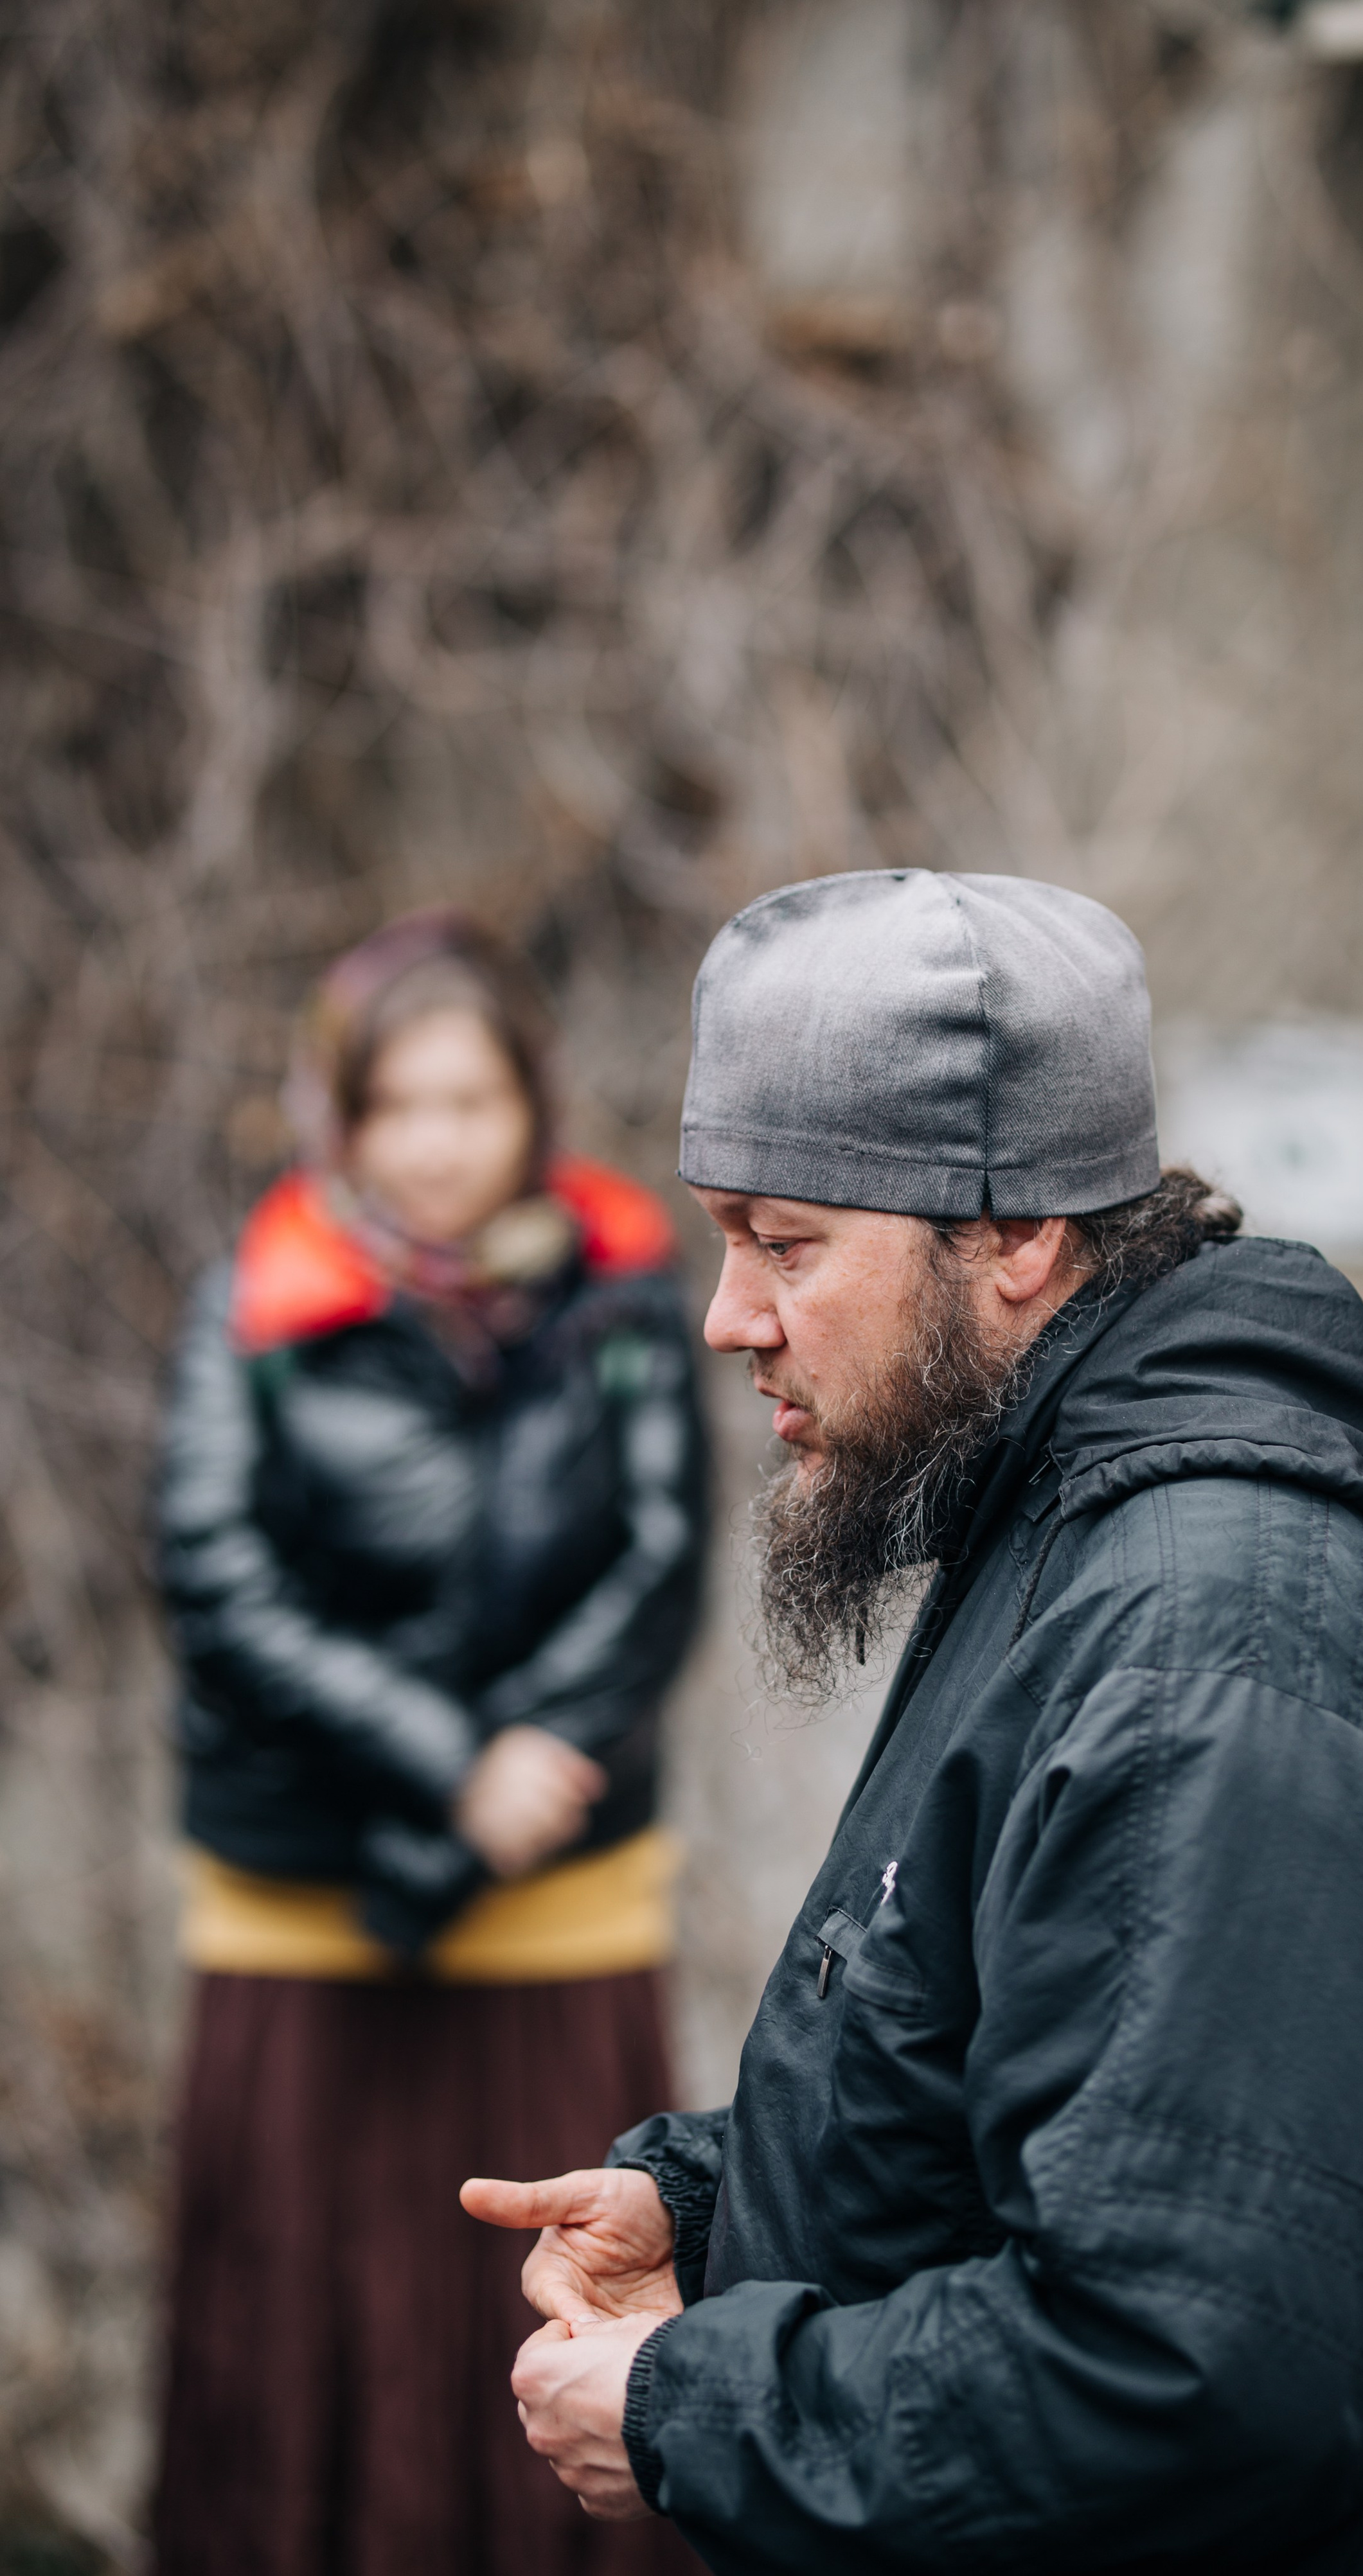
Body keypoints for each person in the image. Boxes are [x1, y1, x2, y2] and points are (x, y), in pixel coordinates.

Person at [464, 869, 1363, 2574]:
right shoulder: (1071, 1512)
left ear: (1015, 1236)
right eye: (720, 1236)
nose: (728, 1317)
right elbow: (1018, 2072)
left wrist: (700, 2399)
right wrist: (712, 2210)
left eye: (787, 1239)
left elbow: (1190, 2374)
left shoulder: (1219, 1647)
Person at [153, 910, 708, 2576]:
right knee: (299, 2356)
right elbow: (213, 1572)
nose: (437, 1143)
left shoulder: (625, 1288)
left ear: (529, 1104)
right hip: (311, 1918)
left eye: (471, 1101)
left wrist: (531, 1758)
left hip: (560, 1906)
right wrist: (453, 1772)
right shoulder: (257, 1296)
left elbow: (663, 1558)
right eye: (397, 1105)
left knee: (545, 2335)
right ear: (340, 1114)